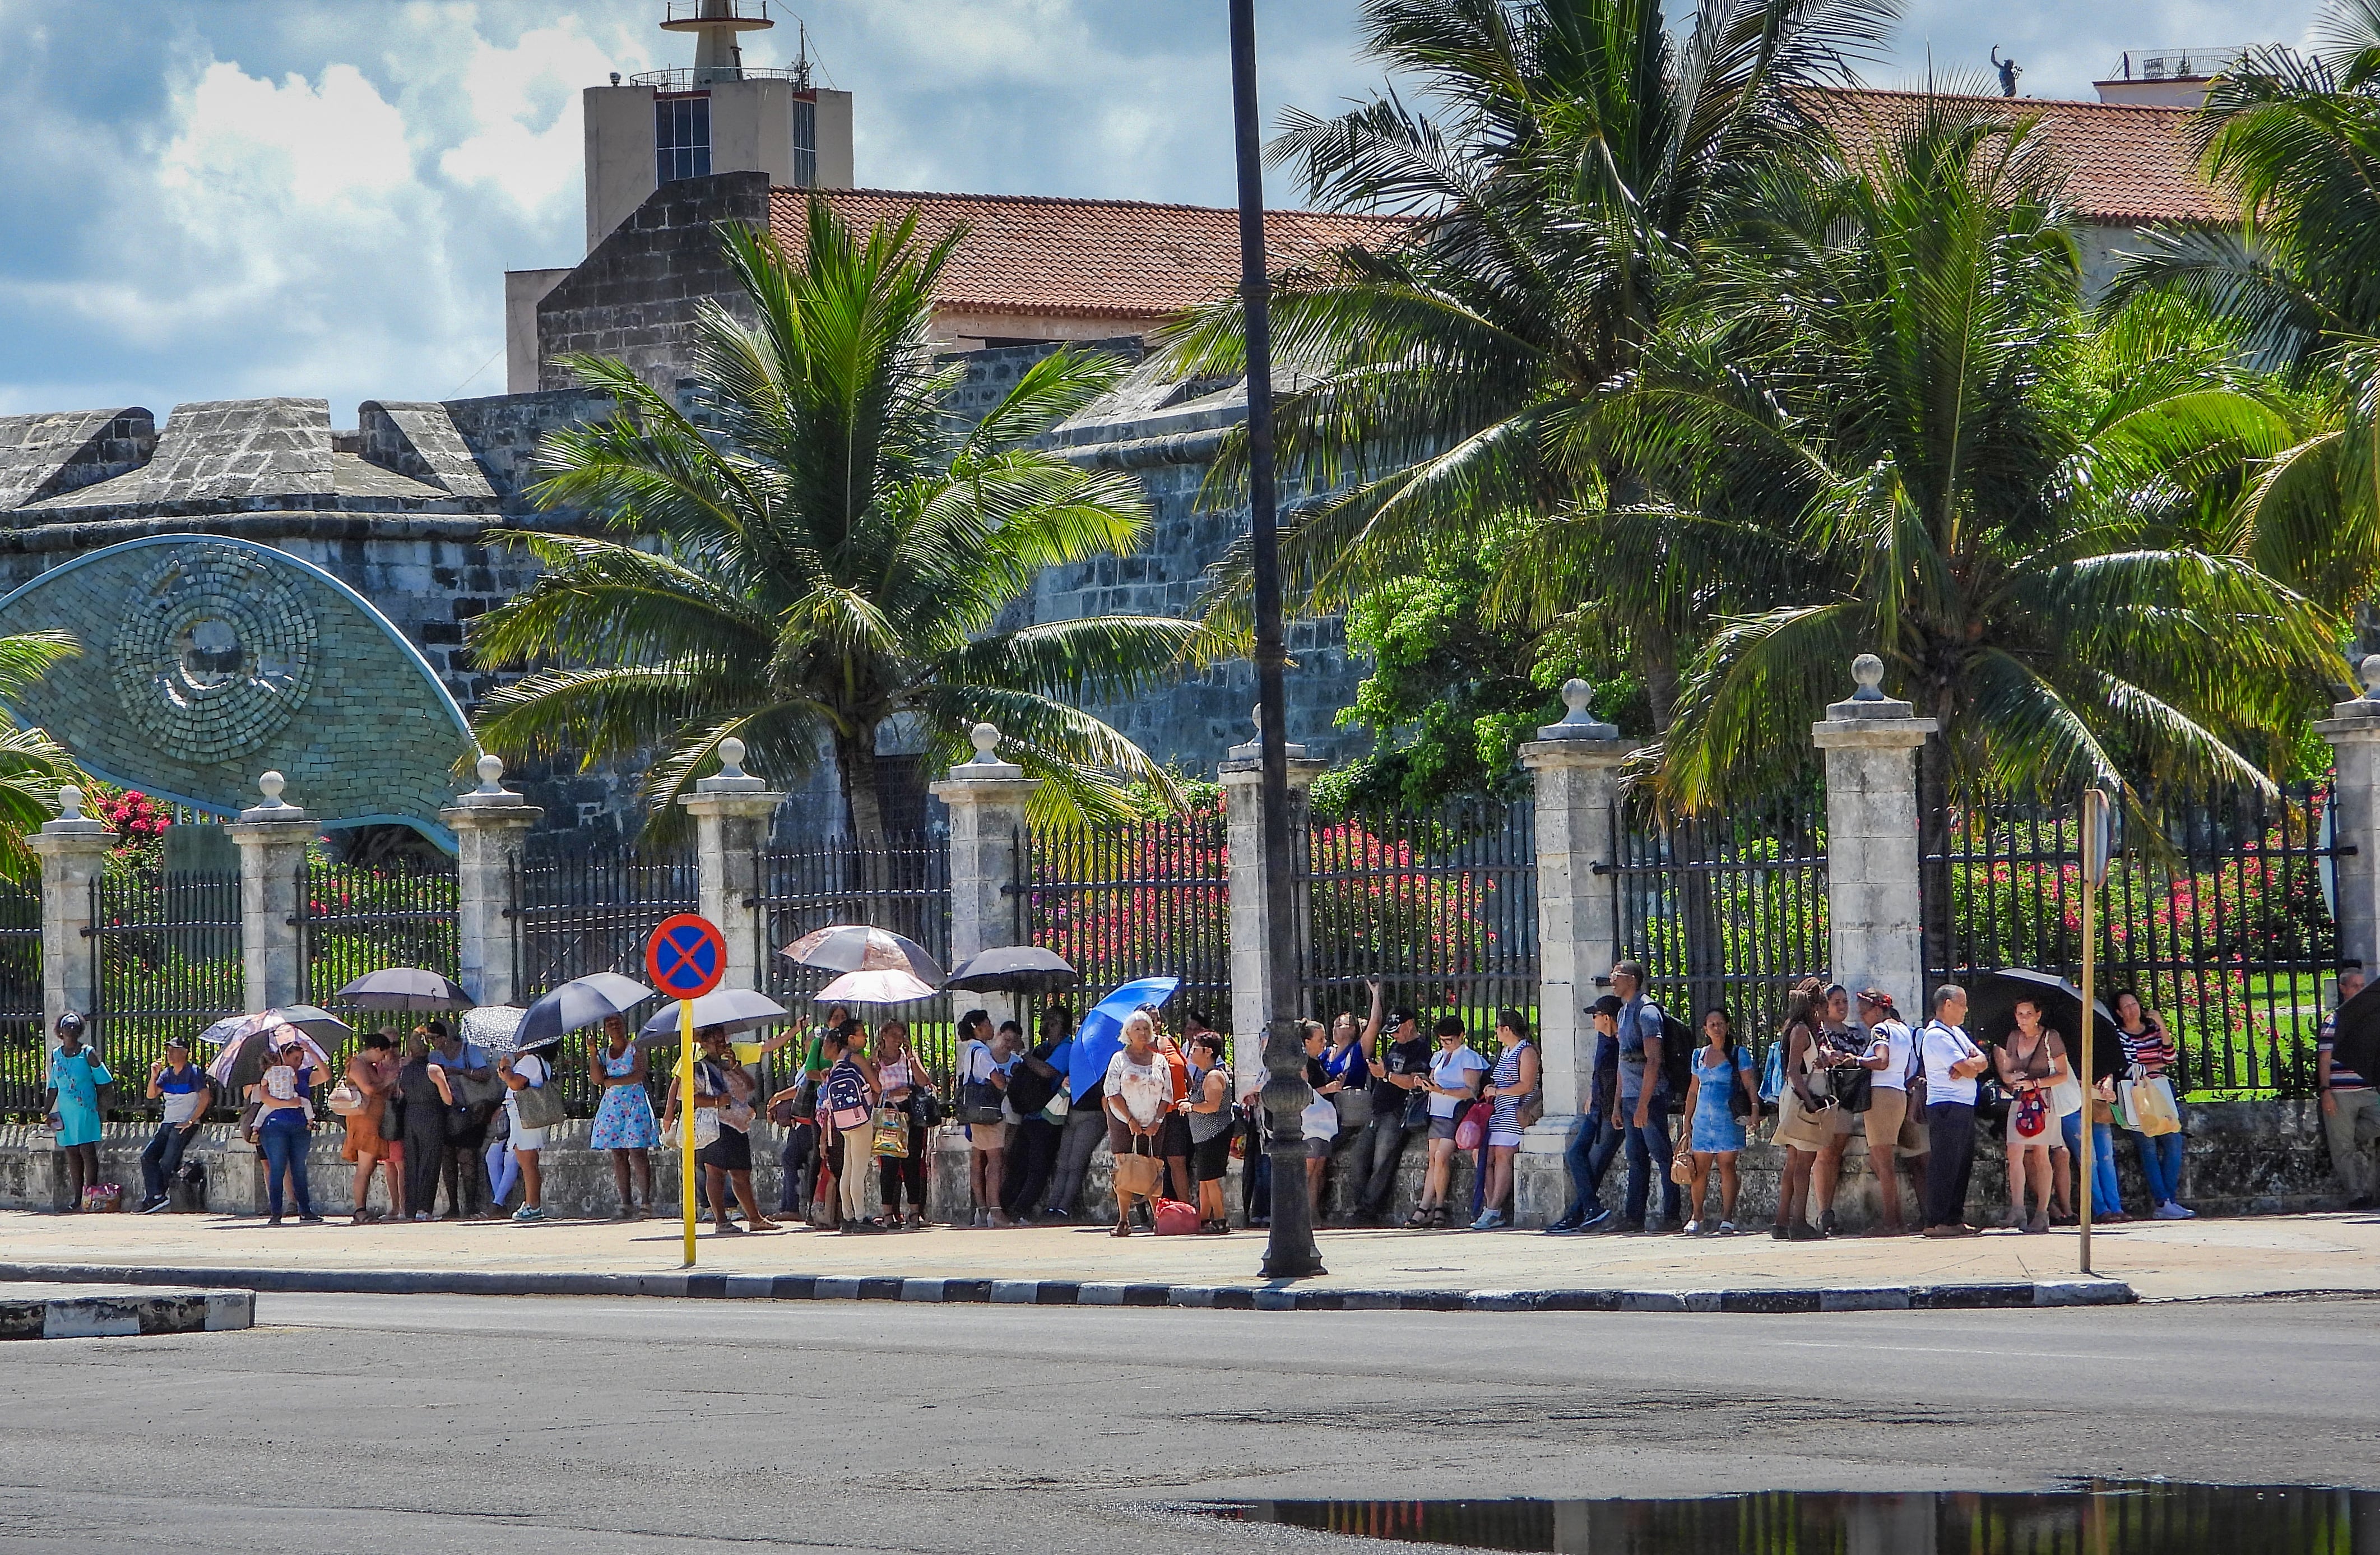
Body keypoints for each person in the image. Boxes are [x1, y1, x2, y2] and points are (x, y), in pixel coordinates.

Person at [667, 1025, 779, 1234]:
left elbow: (750, 1085)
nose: (722, 1045)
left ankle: (755, 1218)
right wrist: (716, 1100)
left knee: (741, 1173)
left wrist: (736, 1067)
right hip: (714, 1125)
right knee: (715, 1173)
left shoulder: (729, 1065)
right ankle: (721, 1221)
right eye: (717, 1042)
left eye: (724, 1041)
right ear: (705, 1044)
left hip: (736, 1124)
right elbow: (689, 1097)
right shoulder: (698, 1068)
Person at [2110, 989, 2193, 1219]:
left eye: (2134, 1004)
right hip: (2137, 1094)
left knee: (2173, 1141)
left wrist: (2161, 1024)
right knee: (2147, 1146)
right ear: (2119, 1012)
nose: (2132, 1009)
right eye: (2126, 1006)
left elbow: (2169, 1057)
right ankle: (2162, 1201)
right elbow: (2129, 1068)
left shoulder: (2153, 1031)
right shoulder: (2120, 1036)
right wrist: (2153, 1067)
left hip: (2161, 1092)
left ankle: (2169, 1200)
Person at [1547, 996, 1625, 1234]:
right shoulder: (1603, 1039)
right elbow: (1599, 1071)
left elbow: (1622, 1077)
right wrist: (1593, 1094)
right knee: (1575, 1154)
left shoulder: (1622, 1041)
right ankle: (1591, 1209)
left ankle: (1578, 1215)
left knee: (1597, 1164)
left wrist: (1616, 1108)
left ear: (1606, 1018)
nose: (1593, 1020)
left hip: (1611, 1110)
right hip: (1597, 1108)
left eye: (1595, 1016)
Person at [1613, 960, 1680, 1232]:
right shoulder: (1623, 1012)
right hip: (1630, 1096)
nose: (1612, 981)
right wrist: (1618, 1104)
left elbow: (1654, 1060)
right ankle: (1634, 1216)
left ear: (1632, 979)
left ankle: (1671, 1214)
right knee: (1636, 1158)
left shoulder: (1647, 1012)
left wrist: (1643, 1104)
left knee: (1662, 1156)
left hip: (1648, 1097)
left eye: (1616, 976)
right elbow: (1622, 1061)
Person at [1853, 989, 1927, 1236]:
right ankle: (1894, 1219)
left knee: (1882, 1162)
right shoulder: (1904, 1030)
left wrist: (1854, 1060)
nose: (1863, 1018)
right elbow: (1905, 1067)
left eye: (1864, 1012)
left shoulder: (1880, 1030)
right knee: (1886, 1160)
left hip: (1881, 1094)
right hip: (1897, 1094)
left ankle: (1892, 1221)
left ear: (1877, 1009)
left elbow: (1881, 1060)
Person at [1356, 988, 1432, 1225]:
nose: (1394, 1036)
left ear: (1409, 1025)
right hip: (1378, 1111)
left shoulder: (1421, 1048)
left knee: (1383, 1159)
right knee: (1358, 1156)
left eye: (1397, 1031)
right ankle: (1360, 1205)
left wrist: (1386, 1075)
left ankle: (1369, 1210)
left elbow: (1416, 1081)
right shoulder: (1395, 1047)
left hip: (1398, 1112)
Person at [1994, 997, 2071, 1234]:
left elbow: (2062, 1075)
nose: (2023, 1019)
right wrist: (2013, 1079)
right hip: (2020, 1100)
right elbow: (2007, 1070)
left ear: (2038, 1015)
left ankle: (2042, 1213)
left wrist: (2034, 1083)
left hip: (2042, 1101)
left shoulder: (2051, 1038)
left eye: (2028, 1014)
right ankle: (2017, 1209)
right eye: (2019, 1014)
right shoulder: (2013, 1038)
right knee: (2014, 1151)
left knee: (2040, 1154)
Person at [1679, 1007, 1758, 1234]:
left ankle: (1727, 1218)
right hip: (1703, 1120)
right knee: (1699, 1169)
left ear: (1727, 1026)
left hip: (1727, 1119)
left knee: (1727, 1166)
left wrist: (1754, 1109)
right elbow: (1693, 1091)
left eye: (1720, 1023)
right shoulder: (1698, 1055)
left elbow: (1749, 1083)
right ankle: (1697, 1216)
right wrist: (1688, 1122)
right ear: (1705, 1029)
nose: (1716, 1027)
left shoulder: (1737, 1054)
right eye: (1712, 1024)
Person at [1920, 984, 1990, 1237]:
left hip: (1963, 1105)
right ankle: (1936, 1221)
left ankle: (1953, 1218)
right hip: (1946, 1106)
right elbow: (1971, 1069)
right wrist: (1970, 1065)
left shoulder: (1957, 1033)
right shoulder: (1937, 1036)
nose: (1965, 1010)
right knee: (1945, 1164)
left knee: (1962, 1164)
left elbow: (1982, 1060)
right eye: (1962, 1004)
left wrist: (1970, 1063)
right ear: (1947, 1005)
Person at [1769, 976, 1835, 1240]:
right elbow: (1794, 1071)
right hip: (1803, 1101)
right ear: (1814, 1007)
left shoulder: (1800, 1030)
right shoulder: (1801, 1031)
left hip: (1795, 1099)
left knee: (1794, 1162)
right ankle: (1798, 1221)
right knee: (1803, 1163)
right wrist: (1811, 1105)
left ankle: (1782, 1221)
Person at [1407, 1015, 1487, 1228]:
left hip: (1456, 1114)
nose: (1445, 1044)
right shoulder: (1439, 1056)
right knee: (1433, 1159)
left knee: (1442, 1156)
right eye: (1442, 1040)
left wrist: (1441, 1090)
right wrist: (1424, 1083)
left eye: (1449, 1040)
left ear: (1461, 1036)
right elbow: (1433, 1080)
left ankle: (1439, 1205)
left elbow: (1470, 1091)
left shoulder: (1469, 1058)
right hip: (1437, 1112)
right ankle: (1426, 1207)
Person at [1102, 1009, 1174, 1237]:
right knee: (1125, 1167)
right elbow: (1112, 1092)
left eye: (1146, 1029)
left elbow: (1167, 1094)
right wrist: (1131, 1119)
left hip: (1154, 1121)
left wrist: (1158, 1121)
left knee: (1153, 1167)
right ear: (1128, 1033)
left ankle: (1158, 1221)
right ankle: (1123, 1221)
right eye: (1137, 1029)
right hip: (1124, 1122)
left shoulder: (1160, 1061)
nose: (1143, 1033)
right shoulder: (1119, 1059)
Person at [1804, 985, 1868, 1235]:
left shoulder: (1856, 1035)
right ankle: (1824, 1211)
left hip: (1848, 1098)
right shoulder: (1819, 1035)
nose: (1842, 1007)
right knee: (1825, 1153)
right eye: (1836, 1002)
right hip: (1826, 1098)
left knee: (1837, 1151)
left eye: (1845, 1002)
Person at [1472, 1010, 1540, 1230]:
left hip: (1515, 1111)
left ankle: (1493, 1208)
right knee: (1482, 1155)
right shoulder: (1505, 1051)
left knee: (1503, 1153)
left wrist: (1498, 1091)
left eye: (1498, 1028)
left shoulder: (1526, 1051)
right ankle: (1493, 1207)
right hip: (1499, 1112)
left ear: (1507, 1029)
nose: (1496, 1032)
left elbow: (1527, 1085)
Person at [1046, 1005, 1113, 1224]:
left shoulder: (1107, 1057)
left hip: (1092, 1115)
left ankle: (1063, 1207)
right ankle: (1053, 1206)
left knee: (1076, 1162)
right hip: (1073, 1112)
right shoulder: (1078, 1053)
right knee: (1063, 1161)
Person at [2318, 968, 2378, 1209]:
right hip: (2340, 1093)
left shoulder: (2370, 1018)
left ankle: (2348, 1135)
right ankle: (2356, 1195)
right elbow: (2324, 1059)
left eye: (2362, 986)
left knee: (2347, 1139)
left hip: (2367, 1089)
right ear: (2343, 989)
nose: (2359, 991)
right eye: (2354, 986)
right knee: (2341, 1148)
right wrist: (2326, 1092)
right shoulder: (2334, 1021)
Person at [588, 1013, 658, 1218]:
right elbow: (597, 1079)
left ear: (624, 1025)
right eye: (609, 1025)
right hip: (613, 1107)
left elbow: (639, 1074)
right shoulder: (603, 1054)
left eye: (617, 1023)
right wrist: (593, 1053)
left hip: (634, 1103)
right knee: (618, 1153)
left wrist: (615, 1082)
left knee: (638, 1152)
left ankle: (646, 1202)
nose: (614, 1027)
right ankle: (625, 1203)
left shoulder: (635, 1048)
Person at [249, 1031, 321, 1225]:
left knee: (299, 1168)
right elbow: (266, 1098)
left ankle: (304, 1210)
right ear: (284, 1056)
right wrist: (291, 1103)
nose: (299, 1062)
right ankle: (276, 1213)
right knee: (278, 1167)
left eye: (301, 1058)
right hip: (275, 1127)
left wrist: (312, 1053)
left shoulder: (303, 1074)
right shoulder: (274, 1073)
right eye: (295, 1057)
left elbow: (325, 1075)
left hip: (298, 1127)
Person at [1000, 1012, 1065, 1223]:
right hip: (1029, 1116)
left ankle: (1019, 1211)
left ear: (1063, 1026)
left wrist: (1024, 1054)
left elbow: (1047, 1072)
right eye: (1046, 1021)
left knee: (1037, 1168)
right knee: (1016, 1164)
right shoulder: (1042, 1049)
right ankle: (1005, 1209)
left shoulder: (1066, 1048)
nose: (1048, 1026)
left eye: (1053, 1023)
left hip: (1048, 1118)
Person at [425, 1019, 493, 1220]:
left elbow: (484, 1074)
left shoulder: (467, 1051)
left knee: (467, 1156)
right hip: (446, 1110)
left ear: (445, 1037)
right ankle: (453, 1205)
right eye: (429, 1039)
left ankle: (470, 1204)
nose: (432, 1043)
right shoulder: (434, 1056)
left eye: (434, 1038)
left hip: (470, 1111)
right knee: (447, 1157)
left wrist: (460, 1072)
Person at [138, 1034, 212, 1215]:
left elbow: (205, 1097)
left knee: (167, 1162)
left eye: (174, 1050)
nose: (170, 1054)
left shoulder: (193, 1072)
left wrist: (191, 1121)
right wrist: (154, 1075)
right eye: (168, 1050)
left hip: (183, 1125)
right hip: (167, 1124)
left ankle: (158, 1197)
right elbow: (151, 1094)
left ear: (185, 1052)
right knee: (147, 1157)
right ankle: (155, 1197)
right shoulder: (167, 1074)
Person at [43, 1012, 109, 1210]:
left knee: (87, 1151)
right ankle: (78, 1198)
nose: (71, 1029)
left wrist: (98, 1105)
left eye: (74, 1026)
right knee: (72, 1152)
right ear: (60, 1031)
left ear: (79, 1030)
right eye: (67, 1026)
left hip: (86, 1109)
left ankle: (90, 1195)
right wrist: (46, 1111)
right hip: (67, 1112)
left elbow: (105, 1081)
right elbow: (53, 1086)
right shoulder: (56, 1055)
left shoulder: (87, 1053)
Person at [957, 1010, 1017, 1227]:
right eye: (988, 1023)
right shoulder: (982, 1052)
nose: (992, 1027)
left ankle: (982, 1210)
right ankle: (996, 1211)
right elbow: (997, 1081)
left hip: (975, 1111)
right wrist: (1006, 1080)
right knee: (995, 1163)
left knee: (978, 1161)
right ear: (978, 1027)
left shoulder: (970, 1050)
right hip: (989, 1112)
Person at [871, 1019, 931, 1229]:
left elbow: (924, 1081)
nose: (897, 1040)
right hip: (888, 1114)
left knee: (912, 1162)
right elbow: (871, 1092)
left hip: (910, 1114)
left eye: (901, 1036)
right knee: (889, 1164)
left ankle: (915, 1212)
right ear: (884, 1036)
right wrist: (890, 1093)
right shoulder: (875, 1061)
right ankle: (888, 1213)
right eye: (893, 1035)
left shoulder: (907, 1058)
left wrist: (912, 1058)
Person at [821, 1021, 879, 1232]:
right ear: (851, 1039)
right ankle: (861, 1217)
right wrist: (874, 1071)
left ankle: (847, 1217)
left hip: (843, 1122)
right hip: (861, 1119)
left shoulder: (837, 1063)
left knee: (848, 1167)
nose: (865, 1037)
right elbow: (877, 1087)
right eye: (862, 1034)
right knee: (859, 1170)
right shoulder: (856, 1059)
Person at [338, 1032, 398, 1223]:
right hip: (364, 1122)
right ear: (375, 1050)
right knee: (364, 1167)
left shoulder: (369, 1065)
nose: (383, 1058)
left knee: (370, 1166)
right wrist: (387, 1080)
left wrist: (388, 1077)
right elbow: (369, 1089)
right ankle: (359, 1210)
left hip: (374, 1121)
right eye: (383, 1054)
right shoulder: (357, 1064)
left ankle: (362, 1208)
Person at [496, 1040, 559, 1223]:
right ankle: (531, 1202)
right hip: (525, 1115)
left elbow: (516, 1083)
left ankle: (533, 1205)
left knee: (527, 1160)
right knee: (527, 1160)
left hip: (525, 1115)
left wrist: (506, 1070)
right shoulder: (540, 1061)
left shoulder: (530, 1061)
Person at [1184, 1029, 1235, 1233]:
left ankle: (1221, 1220)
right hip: (1203, 1135)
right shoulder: (1204, 1074)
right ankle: (1204, 1219)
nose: (1191, 1053)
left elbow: (1212, 1106)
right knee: (1204, 1179)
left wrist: (1191, 1107)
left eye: (1195, 1049)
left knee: (1211, 1179)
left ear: (1208, 1052)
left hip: (1214, 1134)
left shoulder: (1213, 1076)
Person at [397, 1032, 449, 1223]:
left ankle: (411, 1208)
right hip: (431, 1116)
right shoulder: (434, 1070)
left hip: (411, 1117)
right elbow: (448, 1098)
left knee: (412, 1162)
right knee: (430, 1162)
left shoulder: (405, 1070)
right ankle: (424, 1209)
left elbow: (401, 1093)